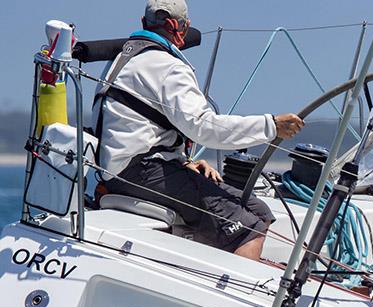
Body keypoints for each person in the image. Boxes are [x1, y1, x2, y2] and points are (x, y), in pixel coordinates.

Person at [92, 0, 305, 260]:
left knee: (258, 209)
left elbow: (139, 128)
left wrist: (184, 161)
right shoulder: (168, 67)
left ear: (144, 23)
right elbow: (203, 128)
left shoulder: (123, 59)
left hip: (122, 168)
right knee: (249, 227)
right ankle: (235, 295)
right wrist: (271, 126)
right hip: (141, 172)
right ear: (180, 27)